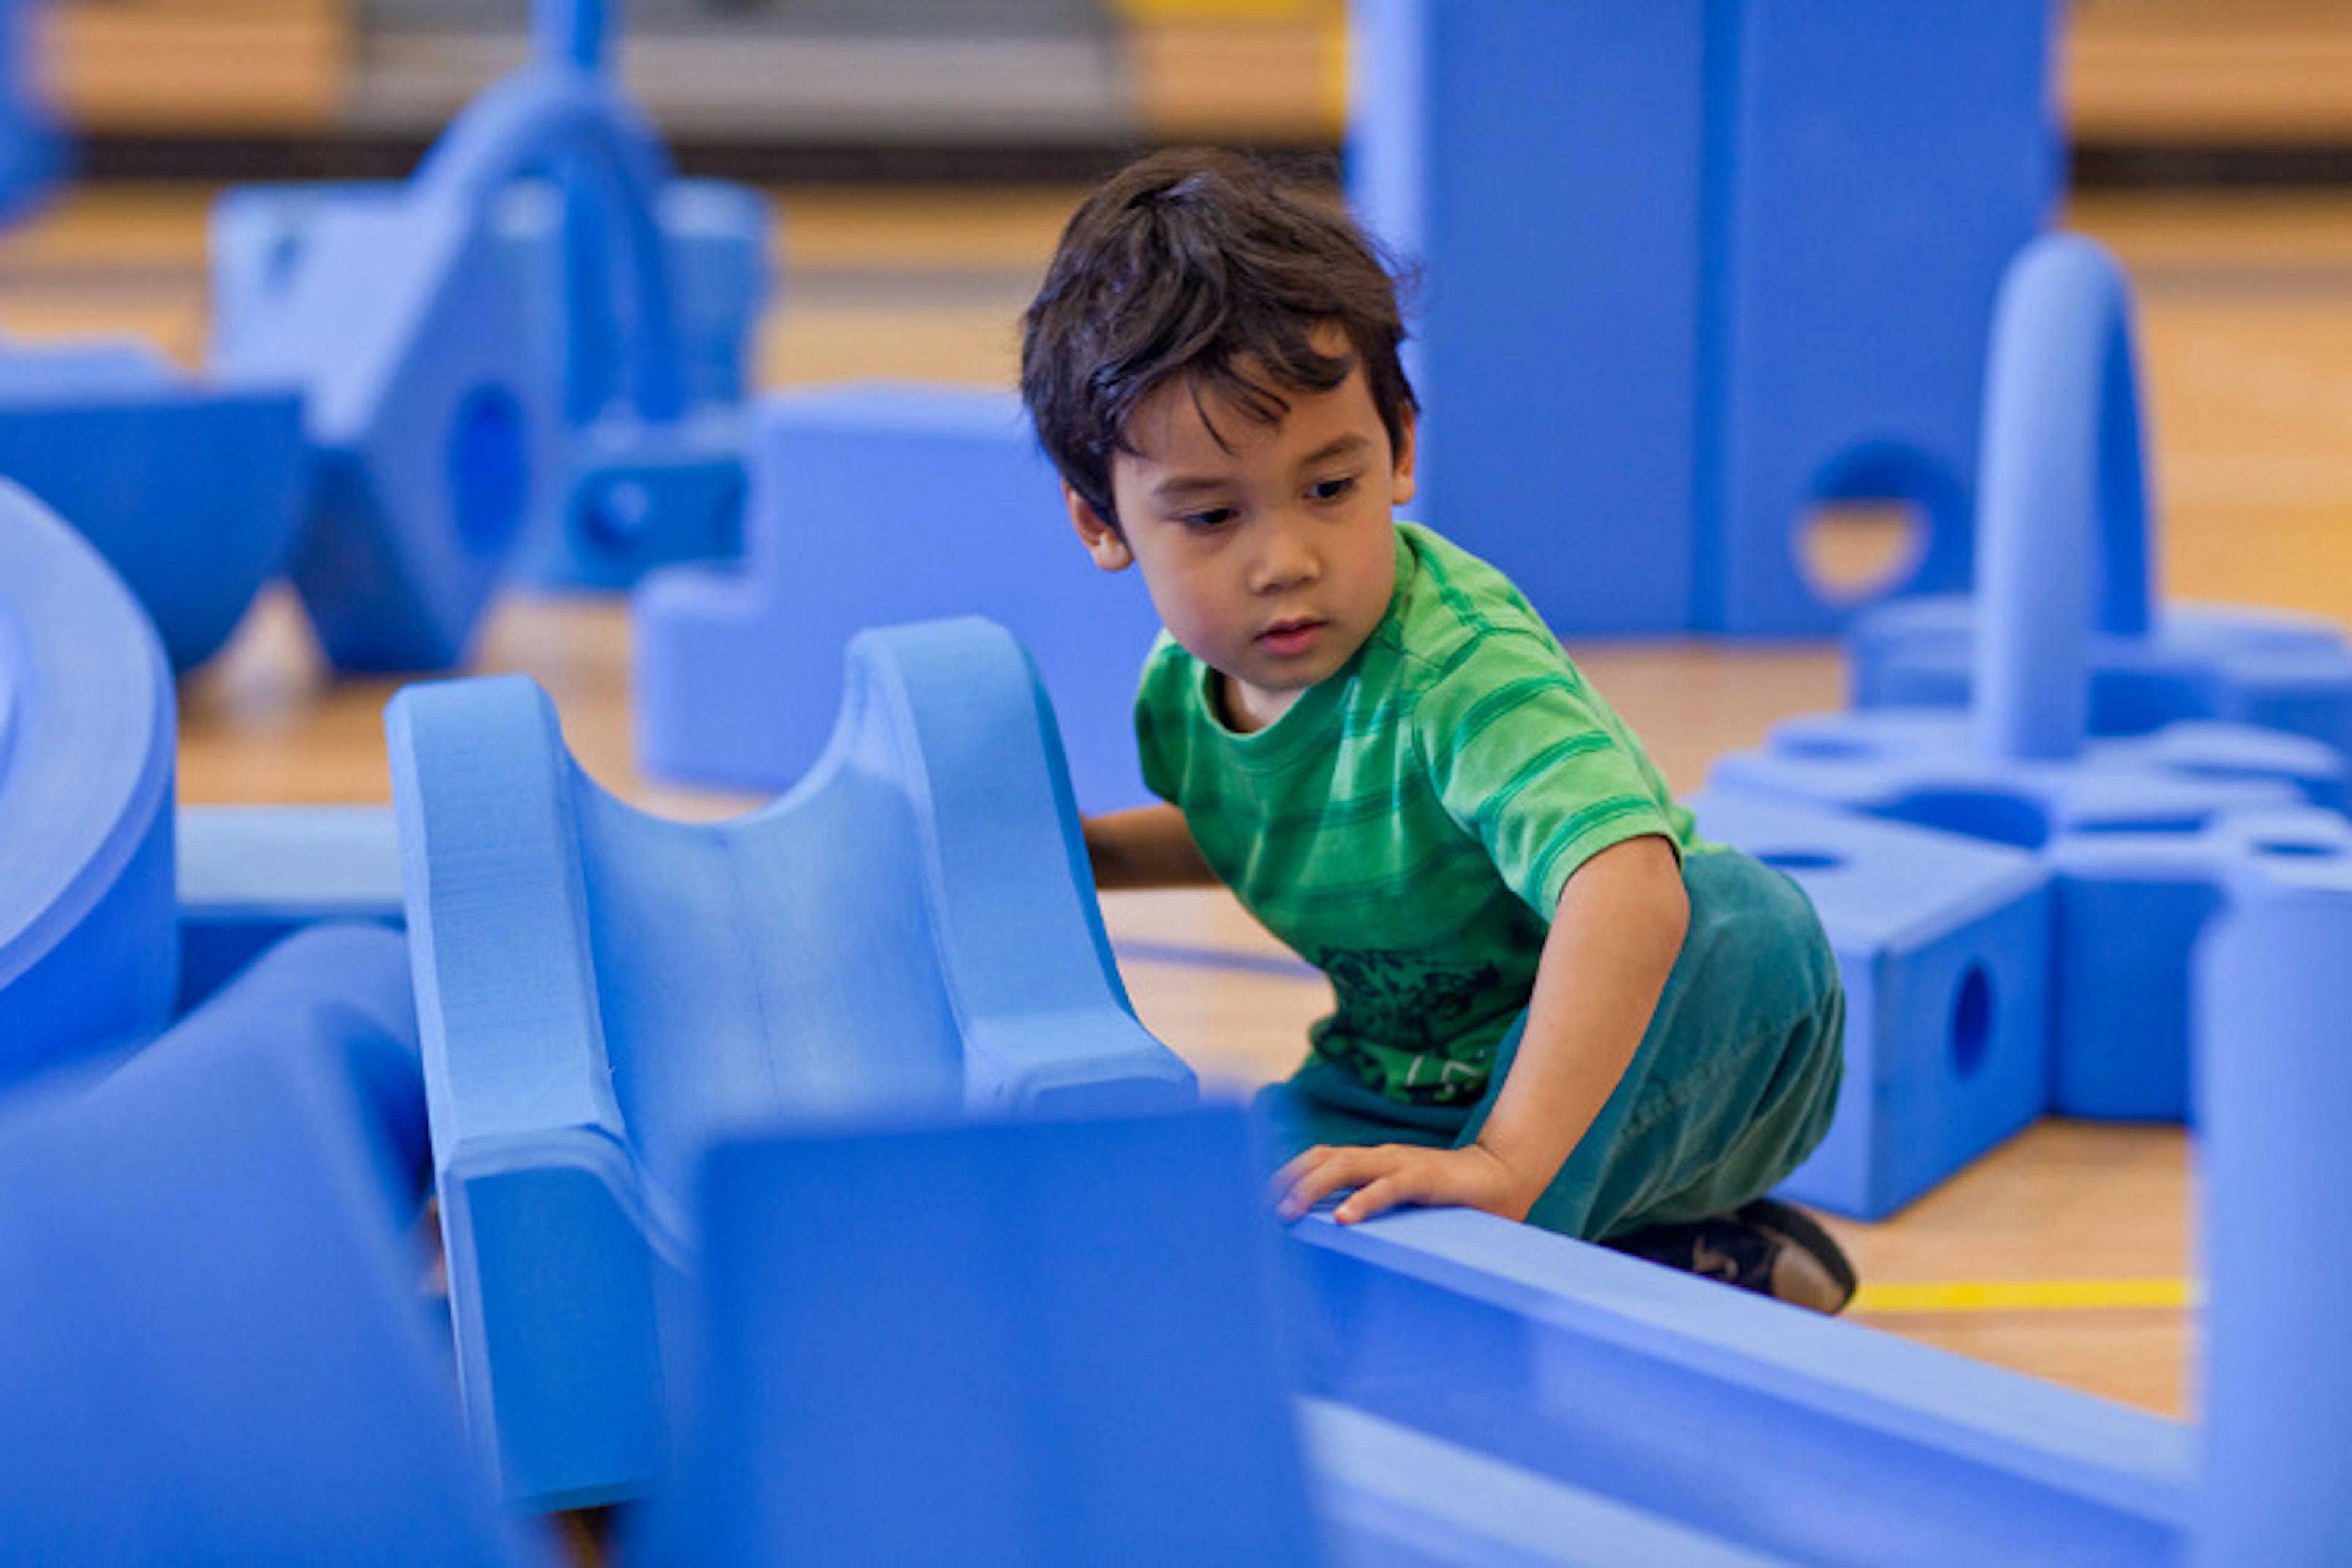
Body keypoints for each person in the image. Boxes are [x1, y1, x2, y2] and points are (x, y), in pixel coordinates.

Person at [1018, 148, 1854, 1311]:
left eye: (1328, 488)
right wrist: (1098, 858)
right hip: (1414, 1067)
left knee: (1737, 928)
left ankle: (1545, 1214)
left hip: (1688, 1022)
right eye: (1210, 516)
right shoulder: (1185, 690)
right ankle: (1657, 1245)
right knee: (1243, 1217)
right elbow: (1278, 827)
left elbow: (1630, 891)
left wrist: (1507, 1161)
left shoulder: (1455, 670)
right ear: (1101, 520)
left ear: (1399, 447)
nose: (1285, 561)